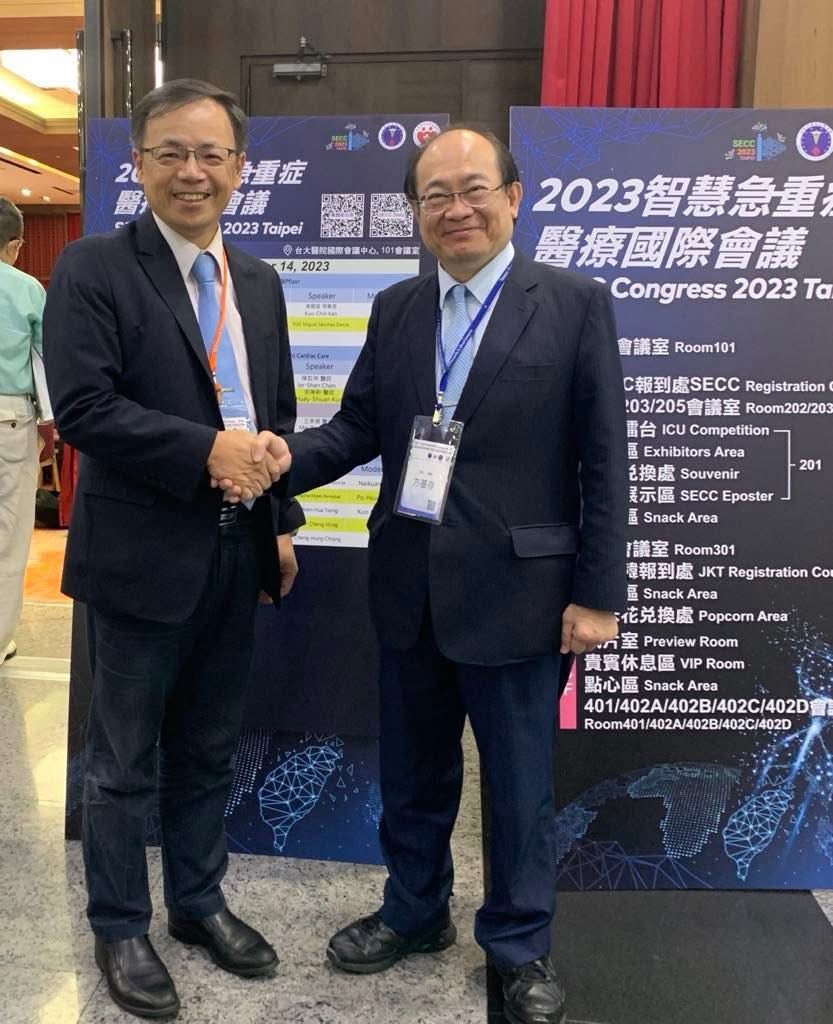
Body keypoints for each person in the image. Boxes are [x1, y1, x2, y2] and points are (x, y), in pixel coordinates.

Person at [283, 126, 626, 1024]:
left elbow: (604, 459)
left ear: (513, 197)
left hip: (522, 595)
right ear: (415, 211)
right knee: (413, 772)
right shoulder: (397, 307)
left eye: (474, 188)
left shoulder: (573, 303)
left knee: (516, 787)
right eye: (435, 194)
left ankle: (518, 945)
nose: (456, 208)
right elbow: (356, 428)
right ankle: (413, 911)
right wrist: (273, 462)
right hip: (408, 585)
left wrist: (597, 595)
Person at [43, 79, 302, 1020]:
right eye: (171, 153)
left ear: (240, 167)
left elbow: (274, 413)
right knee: (122, 762)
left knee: (209, 746)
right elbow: (85, 408)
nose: (192, 172)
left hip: (237, 550)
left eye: (211, 154)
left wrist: (280, 525)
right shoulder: (93, 267)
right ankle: (120, 924)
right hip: (139, 557)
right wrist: (205, 452)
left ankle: (197, 902)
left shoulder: (258, 281)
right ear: (138, 164)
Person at [0, 197, 46, 666]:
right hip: (8, 416)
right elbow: (49, 355)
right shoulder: (26, 288)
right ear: (14, 245)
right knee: (7, 537)